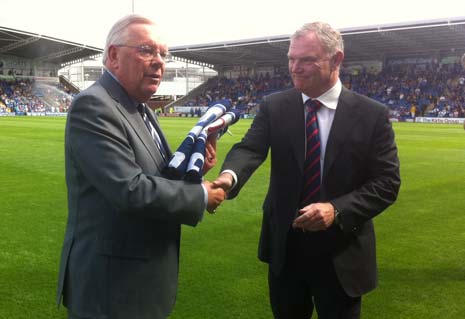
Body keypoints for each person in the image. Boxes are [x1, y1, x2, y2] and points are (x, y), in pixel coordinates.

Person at [213, 22, 401, 319]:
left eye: (306, 60)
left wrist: (335, 210)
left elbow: (387, 183)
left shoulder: (371, 115)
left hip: (342, 253)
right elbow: (250, 149)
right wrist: (228, 178)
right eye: (291, 59)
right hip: (286, 250)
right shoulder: (274, 106)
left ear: (336, 59)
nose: (295, 67)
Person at [56, 14, 225, 319]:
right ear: (113, 56)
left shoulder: (142, 108)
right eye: (147, 50)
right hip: (110, 289)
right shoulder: (94, 105)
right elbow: (130, 189)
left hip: (139, 281)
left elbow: (157, 176)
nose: (160, 61)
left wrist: (196, 173)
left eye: (163, 53)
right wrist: (200, 195)